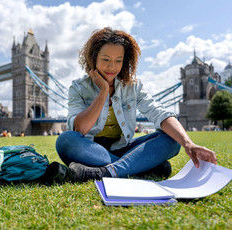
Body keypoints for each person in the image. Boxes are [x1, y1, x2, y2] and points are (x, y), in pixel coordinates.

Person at [55, 27, 217, 182]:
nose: (112, 66)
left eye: (118, 60)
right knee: (66, 140)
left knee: (173, 140)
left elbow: (159, 113)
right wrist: (103, 91)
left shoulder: (132, 86)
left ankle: (108, 172)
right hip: (90, 149)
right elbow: (80, 129)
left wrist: (188, 143)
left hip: (124, 148)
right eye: (106, 59)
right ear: (93, 58)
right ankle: (142, 166)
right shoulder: (78, 87)